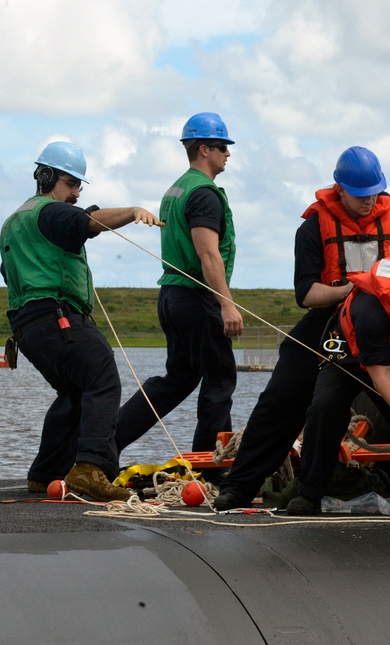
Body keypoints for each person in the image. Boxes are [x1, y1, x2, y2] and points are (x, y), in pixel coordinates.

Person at [213, 146, 390, 510]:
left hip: (379, 328)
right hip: (329, 322)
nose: (369, 201)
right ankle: (241, 487)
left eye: (374, 193)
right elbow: (306, 293)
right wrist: (355, 289)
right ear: (339, 189)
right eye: (360, 195)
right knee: (282, 398)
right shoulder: (312, 228)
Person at [0, 140, 162, 501]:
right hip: (57, 317)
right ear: (46, 176)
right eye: (72, 183)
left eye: (78, 186)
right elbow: (89, 220)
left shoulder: (13, 223)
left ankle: (46, 473)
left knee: (74, 393)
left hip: (26, 328)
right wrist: (134, 211)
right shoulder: (50, 213)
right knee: (102, 374)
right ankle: (90, 468)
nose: (75, 192)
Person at [285, 254, 390, 515]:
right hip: (353, 354)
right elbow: (380, 377)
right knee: (325, 406)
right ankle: (310, 492)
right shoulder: (371, 310)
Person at [115, 112, 241, 455]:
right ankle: (210, 464)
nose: (228, 153)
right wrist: (226, 303)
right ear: (204, 149)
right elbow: (208, 255)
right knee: (220, 378)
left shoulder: (177, 188)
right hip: (196, 298)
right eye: (221, 147)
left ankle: (106, 443)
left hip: (171, 297)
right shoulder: (204, 194)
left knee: (179, 379)